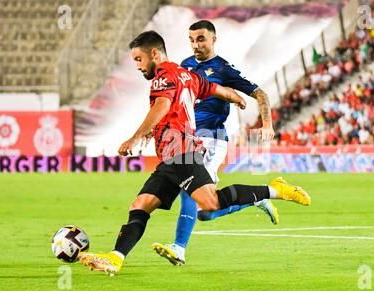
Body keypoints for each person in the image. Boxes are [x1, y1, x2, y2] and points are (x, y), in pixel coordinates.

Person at [78, 30, 311, 276]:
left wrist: (135, 137)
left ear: (154, 53)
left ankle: (275, 190)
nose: (137, 66)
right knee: (140, 205)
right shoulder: (186, 74)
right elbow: (213, 89)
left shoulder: (163, 75)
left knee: (210, 204)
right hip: (170, 158)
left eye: (139, 59)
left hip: (183, 153)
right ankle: (115, 258)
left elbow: (162, 104)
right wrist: (235, 97)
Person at [151, 20, 278, 266]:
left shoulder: (223, 69)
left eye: (201, 39)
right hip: (187, 137)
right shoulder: (184, 66)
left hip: (212, 138)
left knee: (190, 188)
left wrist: (267, 124)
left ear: (213, 39)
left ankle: (179, 248)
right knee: (205, 213)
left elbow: (260, 94)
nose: (195, 44)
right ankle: (255, 197)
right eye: (191, 39)